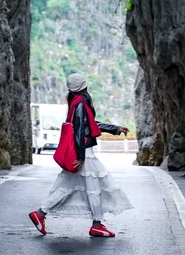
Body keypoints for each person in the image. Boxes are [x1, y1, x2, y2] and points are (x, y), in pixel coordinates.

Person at [29, 73, 134, 238]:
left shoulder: (75, 103)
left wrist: (115, 129)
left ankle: (41, 214)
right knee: (94, 187)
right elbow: (79, 131)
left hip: (80, 151)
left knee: (69, 187)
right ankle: (96, 224)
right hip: (83, 152)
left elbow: (88, 124)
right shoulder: (81, 103)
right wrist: (80, 157)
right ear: (84, 86)